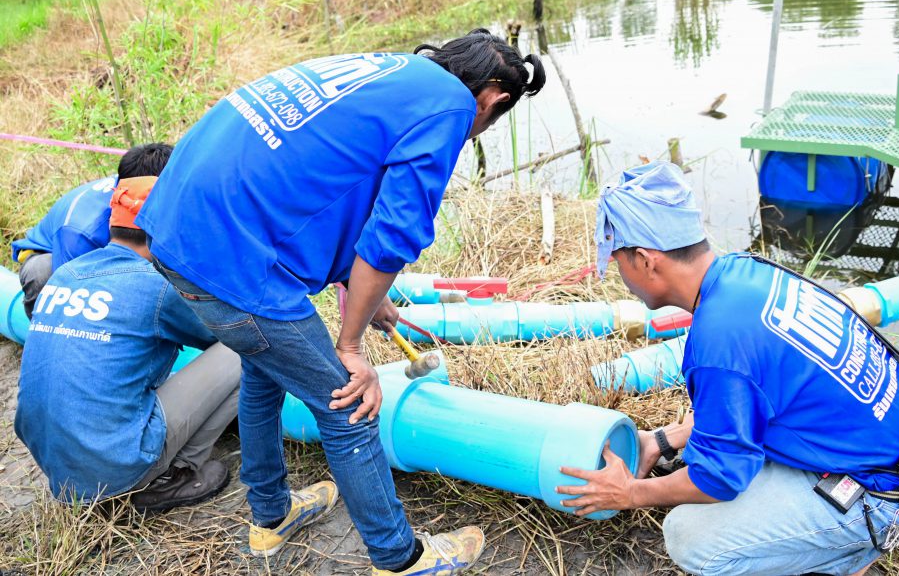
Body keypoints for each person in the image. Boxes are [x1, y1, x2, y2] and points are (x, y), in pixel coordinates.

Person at [135, 30, 546, 572]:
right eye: (486, 127)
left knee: (264, 368)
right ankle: (399, 557)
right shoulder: (451, 105)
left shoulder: (392, 72)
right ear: (494, 100)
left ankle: (272, 516)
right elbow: (392, 235)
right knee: (348, 403)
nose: (472, 136)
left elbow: (323, 181)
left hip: (177, 227)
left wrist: (361, 293)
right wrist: (350, 345)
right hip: (230, 257)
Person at [556, 161, 899, 576]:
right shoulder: (746, 271)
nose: (620, 275)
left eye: (618, 260)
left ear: (645, 259)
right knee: (701, 458)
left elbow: (719, 479)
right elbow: (751, 402)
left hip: (879, 493)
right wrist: (659, 441)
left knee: (691, 537)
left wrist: (631, 493)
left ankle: (850, 554)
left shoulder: (719, 340)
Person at [15, 176, 241, 512]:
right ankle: (172, 476)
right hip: (113, 467)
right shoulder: (155, 286)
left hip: (54, 466)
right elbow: (221, 332)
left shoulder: (65, 272)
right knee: (243, 350)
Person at [12, 143, 173, 319]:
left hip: (116, 250)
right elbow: (69, 288)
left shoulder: (141, 181)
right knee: (41, 272)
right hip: (55, 256)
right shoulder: (80, 232)